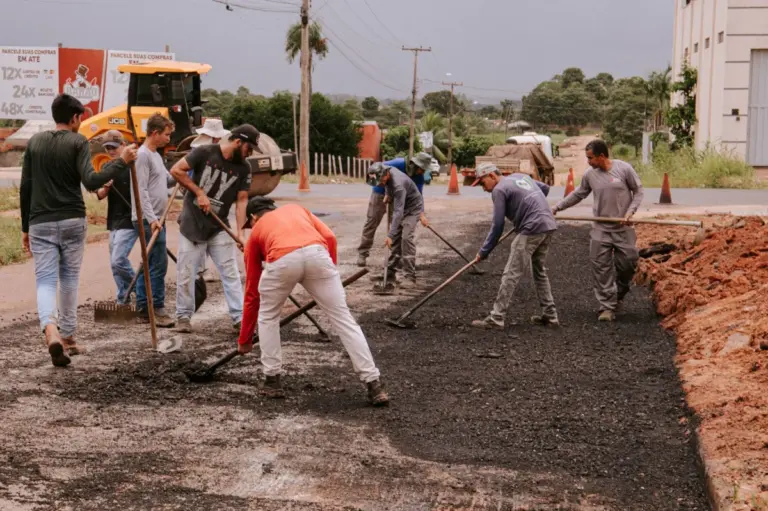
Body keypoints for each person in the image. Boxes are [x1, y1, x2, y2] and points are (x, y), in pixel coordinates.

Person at [237, 197, 389, 406]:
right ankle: (374, 384)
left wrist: (245, 339)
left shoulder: (256, 232)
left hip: (281, 260)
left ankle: (272, 380)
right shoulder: (296, 209)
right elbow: (330, 237)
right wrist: (330, 278)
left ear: (253, 217)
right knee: (344, 320)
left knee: (268, 316)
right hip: (318, 254)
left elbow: (252, 293)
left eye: (250, 223)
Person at [20, 94, 137, 366]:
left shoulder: (35, 142)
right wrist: (121, 161)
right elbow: (91, 180)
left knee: (46, 280)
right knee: (69, 278)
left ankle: (50, 329)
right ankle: (69, 337)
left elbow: (26, 187)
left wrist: (25, 226)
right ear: (74, 118)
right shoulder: (78, 141)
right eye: (80, 118)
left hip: (40, 221)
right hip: (72, 220)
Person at [169, 125, 256, 333]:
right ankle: (183, 317)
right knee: (186, 272)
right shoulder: (204, 153)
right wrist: (199, 192)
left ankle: (239, 318)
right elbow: (176, 170)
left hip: (219, 226)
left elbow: (242, 201)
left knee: (231, 273)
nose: (250, 153)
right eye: (248, 148)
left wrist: (241, 234)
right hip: (192, 224)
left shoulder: (244, 169)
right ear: (237, 142)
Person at [552, 139, 644, 322]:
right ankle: (607, 307)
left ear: (602, 156)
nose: (588, 162)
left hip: (622, 228)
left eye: (590, 158)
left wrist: (629, 213)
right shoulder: (590, 174)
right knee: (600, 268)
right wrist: (557, 207)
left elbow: (638, 191)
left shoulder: (624, 169)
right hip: (600, 228)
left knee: (628, 264)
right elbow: (579, 193)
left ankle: (620, 291)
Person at [469, 163, 559, 329]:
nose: (484, 188)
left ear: (492, 176)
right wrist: (532, 207)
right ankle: (550, 315)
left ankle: (496, 318)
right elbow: (544, 189)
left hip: (532, 228)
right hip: (548, 225)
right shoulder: (520, 176)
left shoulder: (499, 190)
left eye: (482, 183)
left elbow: (497, 226)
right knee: (539, 271)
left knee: (511, 273)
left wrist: (484, 251)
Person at [132, 113, 176, 327]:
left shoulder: (156, 155)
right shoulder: (143, 156)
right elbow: (140, 191)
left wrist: (181, 172)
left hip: (159, 217)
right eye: (166, 134)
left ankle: (143, 306)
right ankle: (155, 307)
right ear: (155, 133)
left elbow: (165, 180)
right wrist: (150, 219)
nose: (169, 138)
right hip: (147, 219)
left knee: (151, 262)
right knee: (158, 264)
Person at [355, 153, 432, 268]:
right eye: (422, 169)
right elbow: (378, 169)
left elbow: (419, 195)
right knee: (372, 222)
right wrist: (386, 191)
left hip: (399, 197)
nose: (423, 172)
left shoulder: (419, 176)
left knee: (397, 226)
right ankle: (363, 253)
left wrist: (421, 214)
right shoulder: (397, 163)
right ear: (416, 165)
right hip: (380, 193)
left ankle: (395, 258)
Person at [366, 162, 428, 289]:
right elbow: (387, 184)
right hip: (402, 204)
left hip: (412, 208)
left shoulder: (399, 184)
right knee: (395, 239)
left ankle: (410, 277)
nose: (380, 183)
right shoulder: (388, 171)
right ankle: (390, 273)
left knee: (405, 238)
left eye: (381, 180)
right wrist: (388, 194)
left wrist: (390, 235)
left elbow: (398, 212)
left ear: (386, 173)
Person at [94, 130, 138, 303]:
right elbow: (98, 194)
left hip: (131, 218)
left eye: (114, 147)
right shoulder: (107, 168)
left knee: (118, 260)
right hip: (114, 219)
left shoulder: (135, 164)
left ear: (123, 145)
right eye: (107, 148)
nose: (111, 151)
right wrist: (106, 188)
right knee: (114, 265)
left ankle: (139, 287)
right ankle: (123, 299)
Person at [190, 118, 231, 283]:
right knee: (200, 235)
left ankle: (200, 269)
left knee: (206, 235)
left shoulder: (206, 150)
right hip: (199, 197)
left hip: (207, 196)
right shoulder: (201, 151)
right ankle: (199, 271)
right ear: (215, 138)